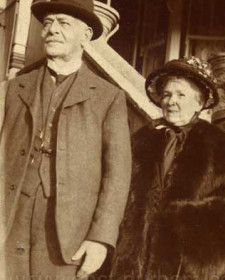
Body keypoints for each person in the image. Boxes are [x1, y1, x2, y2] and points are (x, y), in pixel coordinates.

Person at [0, 0, 131, 279]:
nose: (52, 30)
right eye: (47, 23)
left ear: (85, 36)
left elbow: (117, 176)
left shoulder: (108, 98)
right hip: (8, 221)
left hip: (67, 236)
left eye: (64, 23)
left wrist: (100, 238)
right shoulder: (13, 89)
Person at [110, 57, 225, 280]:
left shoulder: (217, 144)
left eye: (181, 95)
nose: (172, 101)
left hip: (189, 263)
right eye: (167, 94)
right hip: (137, 255)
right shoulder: (141, 140)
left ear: (199, 103)